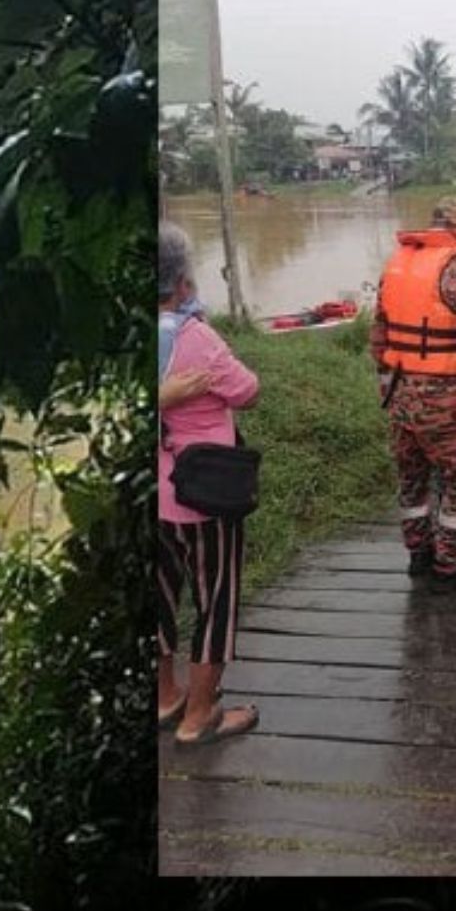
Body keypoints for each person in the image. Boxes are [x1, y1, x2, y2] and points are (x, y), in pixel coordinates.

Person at [156, 223, 262, 744]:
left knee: (158, 597)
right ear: (182, 282)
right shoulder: (195, 338)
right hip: (202, 497)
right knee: (215, 599)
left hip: (153, 497)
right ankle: (199, 718)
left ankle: (164, 696)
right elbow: (247, 391)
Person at [372, 197, 456, 590]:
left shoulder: (397, 263)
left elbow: (378, 336)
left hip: (400, 392)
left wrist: (389, 378)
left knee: (412, 478)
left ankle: (419, 555)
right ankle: (451, 565)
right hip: (443, 396)